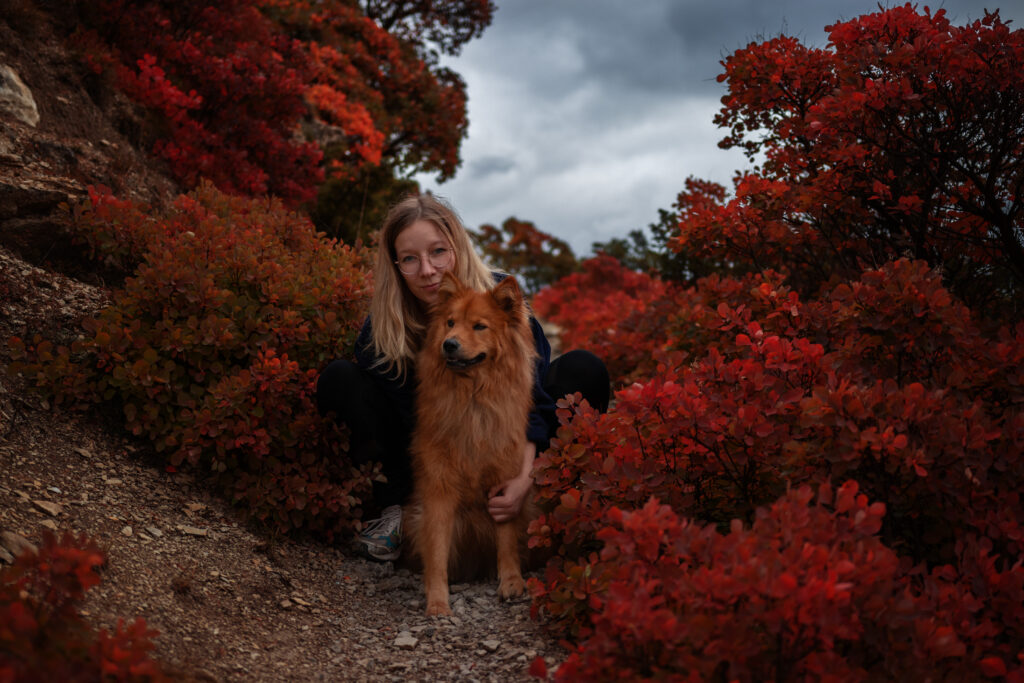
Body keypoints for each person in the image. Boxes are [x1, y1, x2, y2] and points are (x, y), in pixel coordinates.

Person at [316, 194, 609, 561]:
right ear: (396, 266)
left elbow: (531, 400)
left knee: (583, 368)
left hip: (511, 445)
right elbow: (410, 425)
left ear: (458, 247)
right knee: (341, 378)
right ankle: (393, 515)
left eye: (438, 252)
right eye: (410, 258)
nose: (427, 270)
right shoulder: (384, 329)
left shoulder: (500, 296)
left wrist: (523, 477)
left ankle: (562, 498)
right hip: (428, 461)